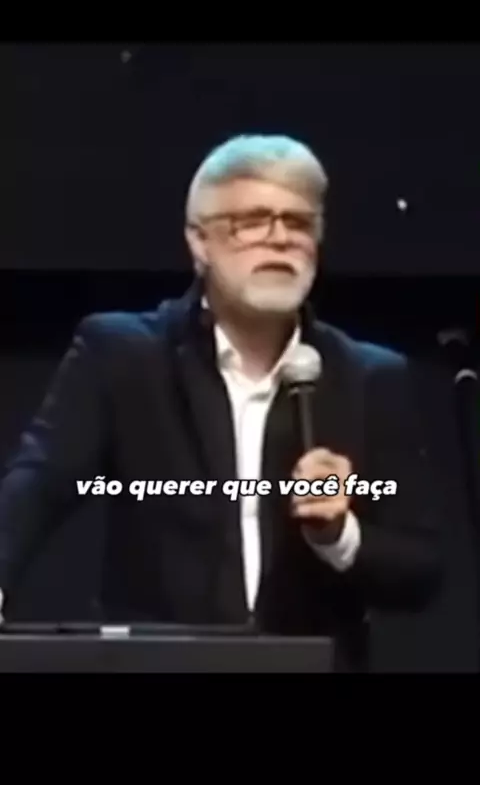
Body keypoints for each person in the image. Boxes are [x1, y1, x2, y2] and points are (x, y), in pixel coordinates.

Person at [0, 134, 443, 670]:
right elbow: (38, 484)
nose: (279, 239)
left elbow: (421, 567)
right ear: (199, 241)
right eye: (251, 222)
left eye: (298, 222)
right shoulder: (123, 355)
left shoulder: (371, 377)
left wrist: (337, 535)